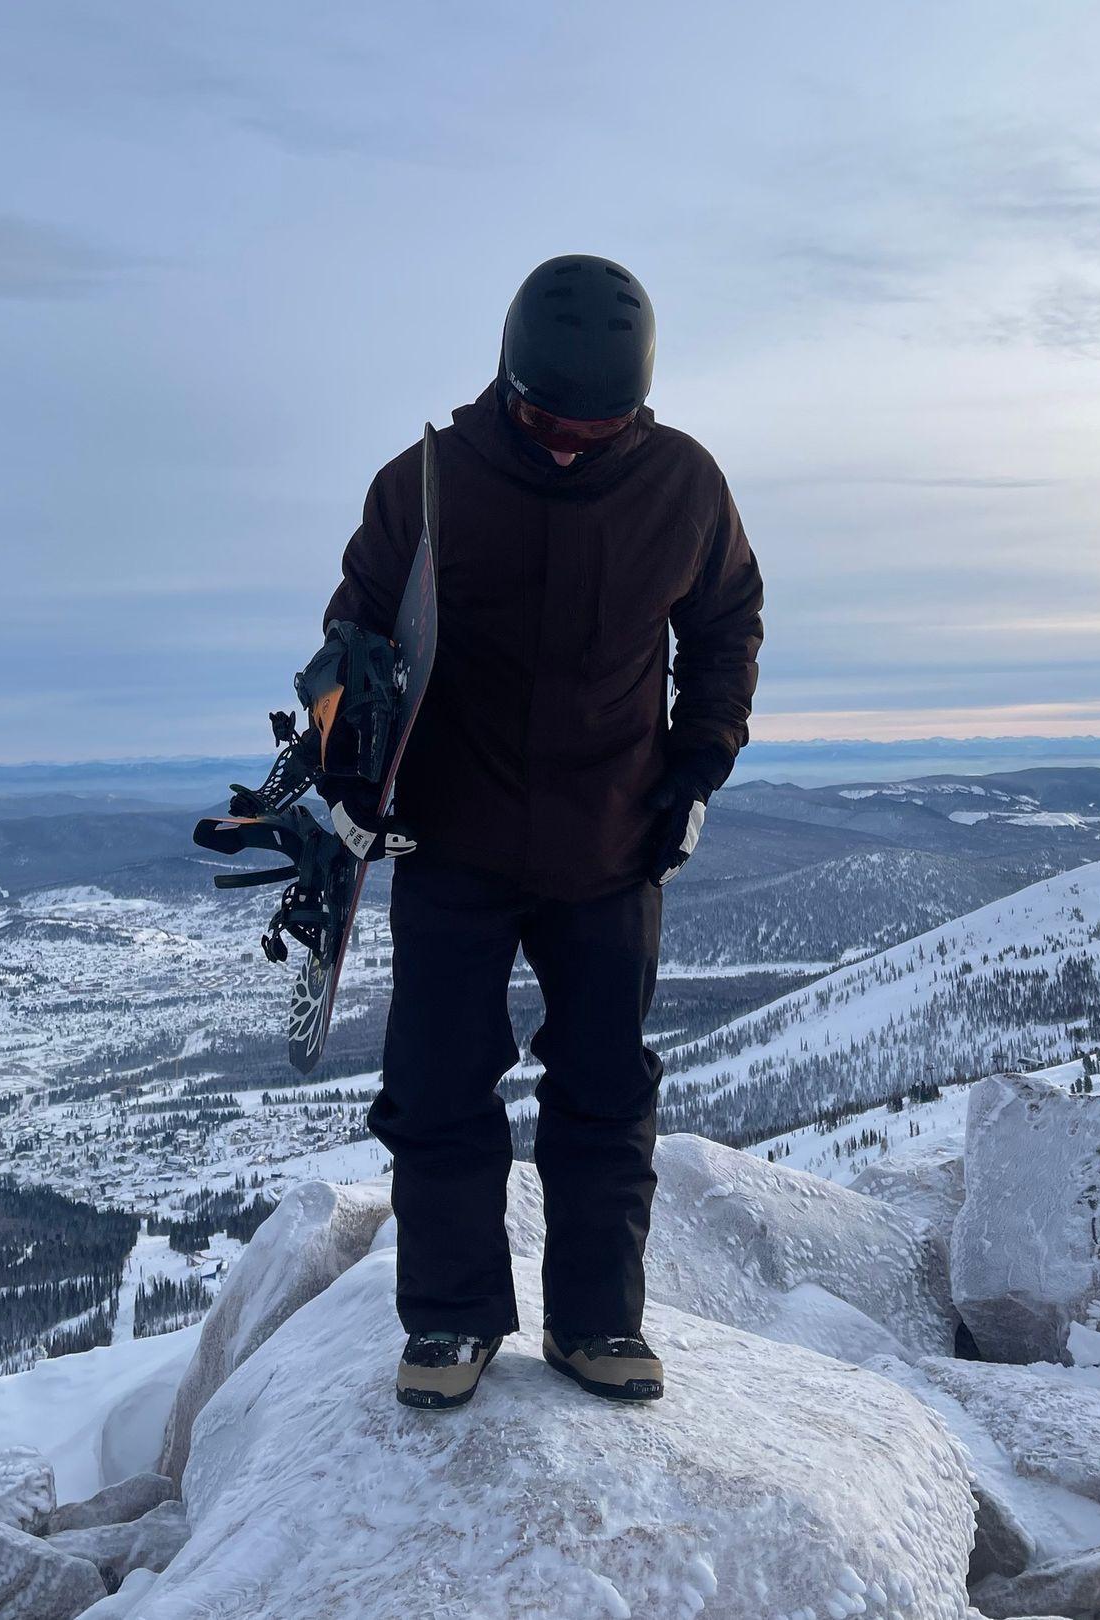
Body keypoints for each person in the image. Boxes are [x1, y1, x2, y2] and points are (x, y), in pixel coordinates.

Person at [315, 254, 764, 1409]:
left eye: (597, 427)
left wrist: (703, 757)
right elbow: (356, 624)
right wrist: (346, 717)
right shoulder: (423, 486)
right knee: (438, 1089)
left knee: (607, 1088)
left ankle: (597, 1324)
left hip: (612, 843)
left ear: (638, 410)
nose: (567, 443)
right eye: (546, 420)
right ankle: (452, 1322)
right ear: (507, 382)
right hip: (452, 838)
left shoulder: (685, 486)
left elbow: (726, 624)